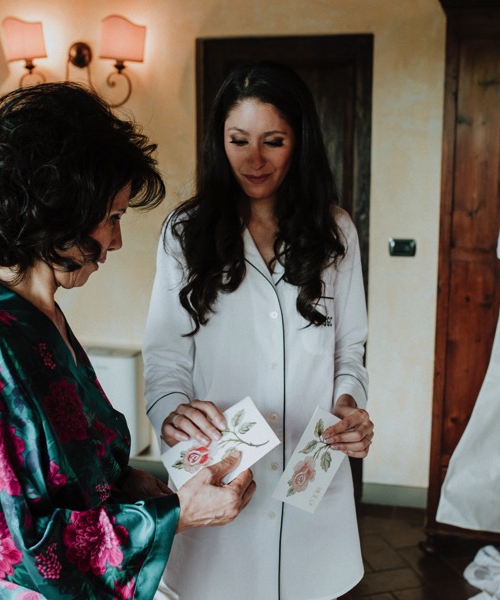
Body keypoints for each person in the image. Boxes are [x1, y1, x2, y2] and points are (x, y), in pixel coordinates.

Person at [0, 82, 256, 600]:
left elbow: (63, 474)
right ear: (61, 211)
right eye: (113, 218)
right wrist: (174, 516)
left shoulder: (41, 317)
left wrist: (130, 486)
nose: (117, 241)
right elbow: (14, 549)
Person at [143, 62, 374, 599]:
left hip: (310, 479)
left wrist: (348, 403)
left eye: (273, 141)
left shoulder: (336, 232)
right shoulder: (185, 233)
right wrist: (173, 414)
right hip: (221, 476)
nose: (254, 160)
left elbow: (350, 347)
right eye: (238, 140)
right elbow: (165, 361)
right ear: (218, 141)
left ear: (300, 142)